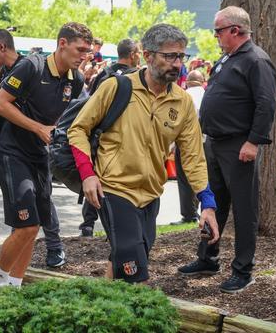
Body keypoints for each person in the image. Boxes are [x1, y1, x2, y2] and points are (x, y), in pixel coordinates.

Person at [68, 23, 220, 285]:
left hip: (150, 195)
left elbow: (194, 156)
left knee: (122, 262)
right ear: (148, 56)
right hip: (113, 190)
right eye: (169, 56)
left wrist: (207, 203)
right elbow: (78, 129)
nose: (177, 64)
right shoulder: (116, 87)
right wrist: (88, 175)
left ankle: (100, 315)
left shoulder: (182, 102)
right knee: (136, 274)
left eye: (180, 56)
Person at [178, 6, 276, 294]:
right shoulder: (227, 58)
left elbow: (266, 104)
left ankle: (243, 271)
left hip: (238, 145)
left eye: (218, 30)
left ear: (235, 30)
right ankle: (207, 258)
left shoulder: (256, 60)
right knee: (213, 203)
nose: (216, 35)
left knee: (244, 210)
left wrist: (253, 141)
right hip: (216, 143)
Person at [0, 22, 89, 290]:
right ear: (62, 44)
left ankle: (15, 286)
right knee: (27, 226)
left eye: (87, 50)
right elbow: (0, 104)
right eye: (80, 49)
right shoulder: (32, 66)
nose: (84, 55)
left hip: (41, 157)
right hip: (12, 152)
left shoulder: (76, 80)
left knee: (34, 226)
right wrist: (38, 128)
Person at [0, 29, 70, 267]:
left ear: (2, 47)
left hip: (37, 145)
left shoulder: (28, 67)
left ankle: (55, 248)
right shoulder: (8, 70)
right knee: (21, 199)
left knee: (43, 199)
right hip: (15, 145)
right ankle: (14, 246)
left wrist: (44, 130)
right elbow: (6, 95)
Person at [80, 38, 141, 237]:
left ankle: (88, 224)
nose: (139, 56)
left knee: (96, 177)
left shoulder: (103, 75)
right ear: (132, 55)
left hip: (98, 136)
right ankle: (115, 226)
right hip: (123, 138)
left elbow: (89, 103)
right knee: (121, 183)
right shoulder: (137, 78)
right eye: (138, 52)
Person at [170, 70, 206, 225]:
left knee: (185, 179)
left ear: (187, 82)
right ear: (202, 81)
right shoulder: (208, 95)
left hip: (185, 142)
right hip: (206, 141)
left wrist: (171, 143)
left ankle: (189, 214)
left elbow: (176, 122)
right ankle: (204, 210)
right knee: (204, 176)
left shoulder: (183, 96)